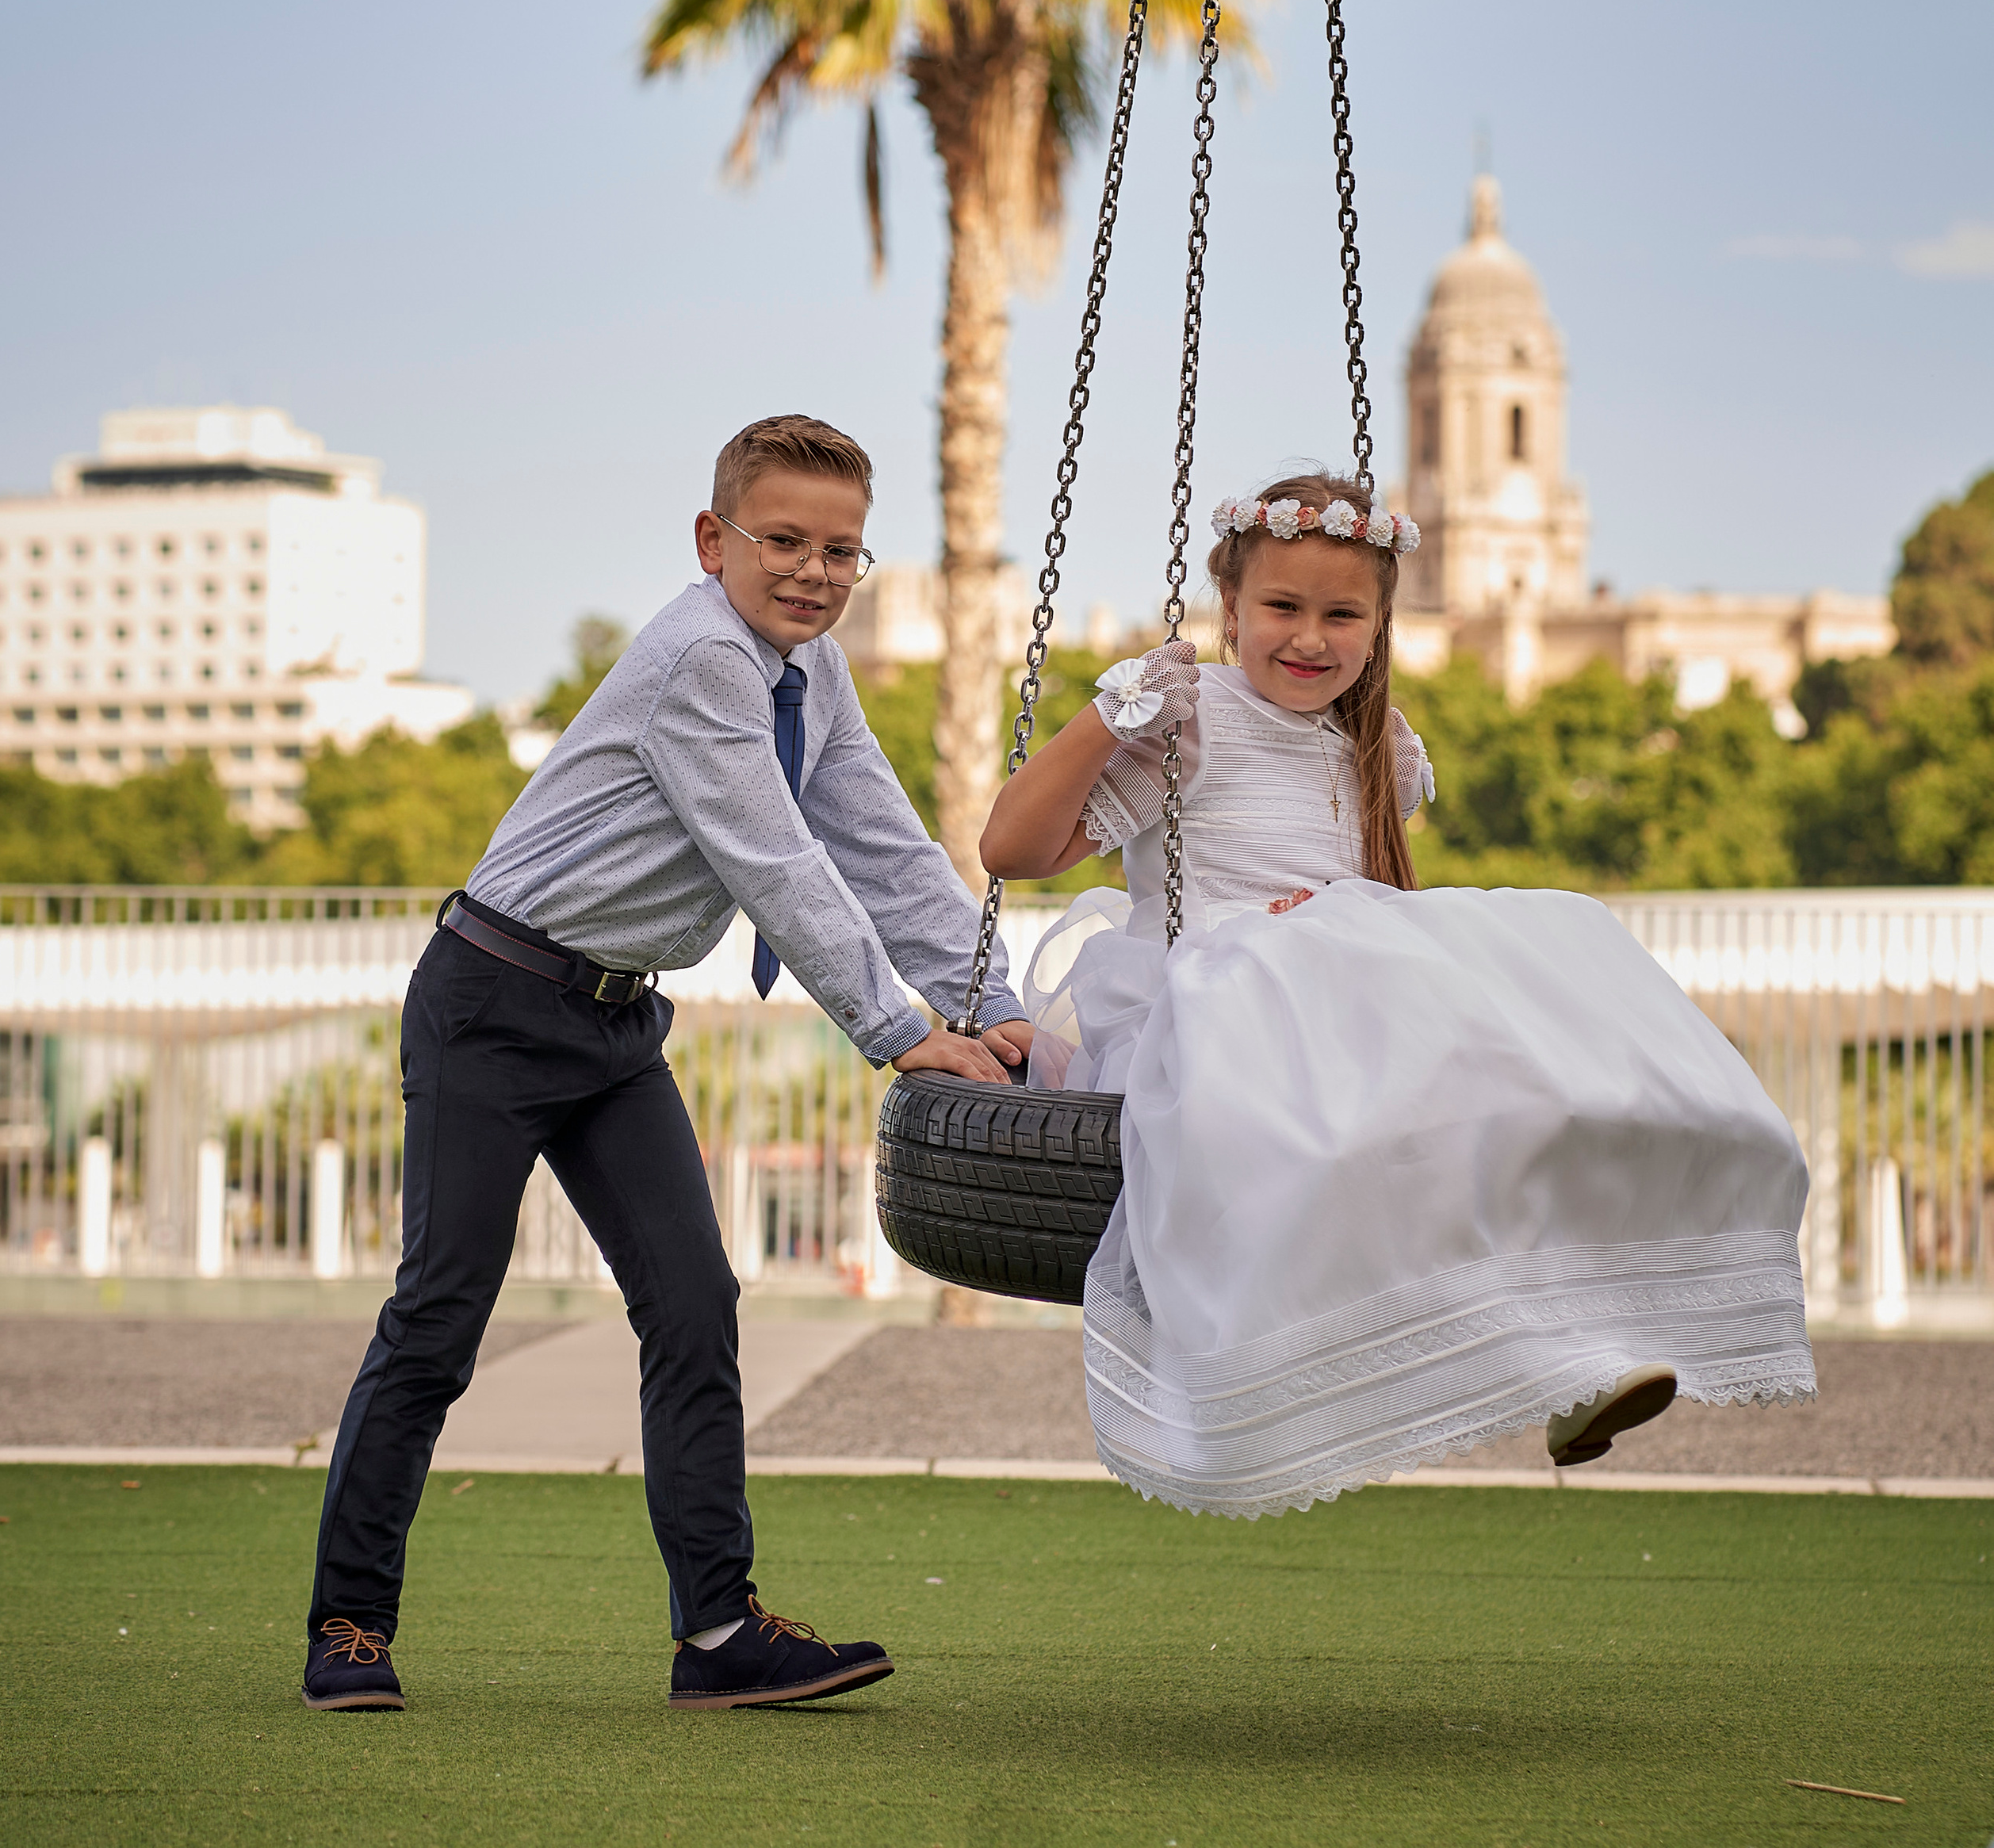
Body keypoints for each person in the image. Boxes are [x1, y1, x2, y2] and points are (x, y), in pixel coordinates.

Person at [304, 412, 1031, 1715]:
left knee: (694, 1303)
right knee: (441, 1315)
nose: (813, 571)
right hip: (493, 1002)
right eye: (783, 540)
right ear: (714, 540)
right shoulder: (704, 659)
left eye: (842, 551)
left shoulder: (814, 675)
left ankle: (718, 1637)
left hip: (614, 1022)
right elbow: (777, 865)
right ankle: (349, 1627)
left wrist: (997, 1003)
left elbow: (882, 847)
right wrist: (902, 1031)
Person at [981, 469, 1814, 1518]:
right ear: (1229, 605)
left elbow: (1390, 909)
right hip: (1211, 1008)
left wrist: (1351, 931)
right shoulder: (1192, 720)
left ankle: (1580, 1350)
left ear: (1380, 627)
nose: (1310, 638)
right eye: (1282, 607)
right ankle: (1322, 1357)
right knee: (1335, 1122)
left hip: (1325, 1004)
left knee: (1514, 1052)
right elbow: (1012, 850)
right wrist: (1111, 716)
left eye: (1343, 615)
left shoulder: (1377, 744)